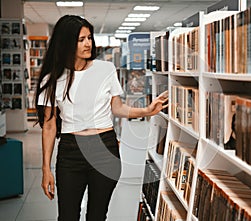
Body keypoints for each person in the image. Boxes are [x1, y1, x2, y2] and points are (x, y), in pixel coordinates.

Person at [35, 15, 168, 221]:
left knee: (97, 216)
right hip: (71, 151)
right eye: (81, 40)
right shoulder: (52, 79)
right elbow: (49, 126)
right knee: (67, 216)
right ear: (66, 42)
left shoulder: (105, 69)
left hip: (105, 148)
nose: (88, 43)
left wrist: (147, 111)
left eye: (89, 37)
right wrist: (45, 169)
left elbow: (117, 108)